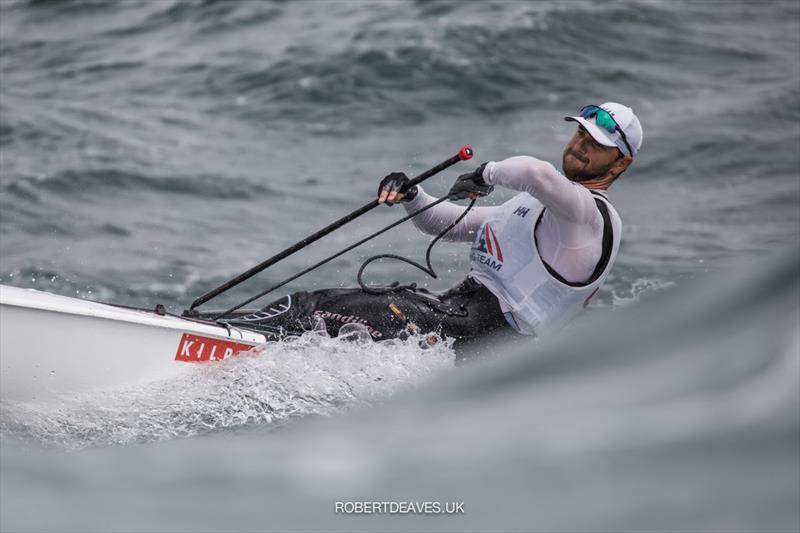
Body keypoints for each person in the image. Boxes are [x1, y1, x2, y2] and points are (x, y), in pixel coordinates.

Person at [228, 103, 643, 361]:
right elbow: (445, 225)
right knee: (328, 312)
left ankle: (211, 337)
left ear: (620, 163)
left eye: (597, 143)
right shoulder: (536, 206)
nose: (580, 146)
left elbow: (534, 172)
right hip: (453, 318)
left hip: (476, 333)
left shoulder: (589, 218)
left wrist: (486, 173)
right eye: (579, 133)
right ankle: (226, 335)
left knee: (309, 308)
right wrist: (412, 194)